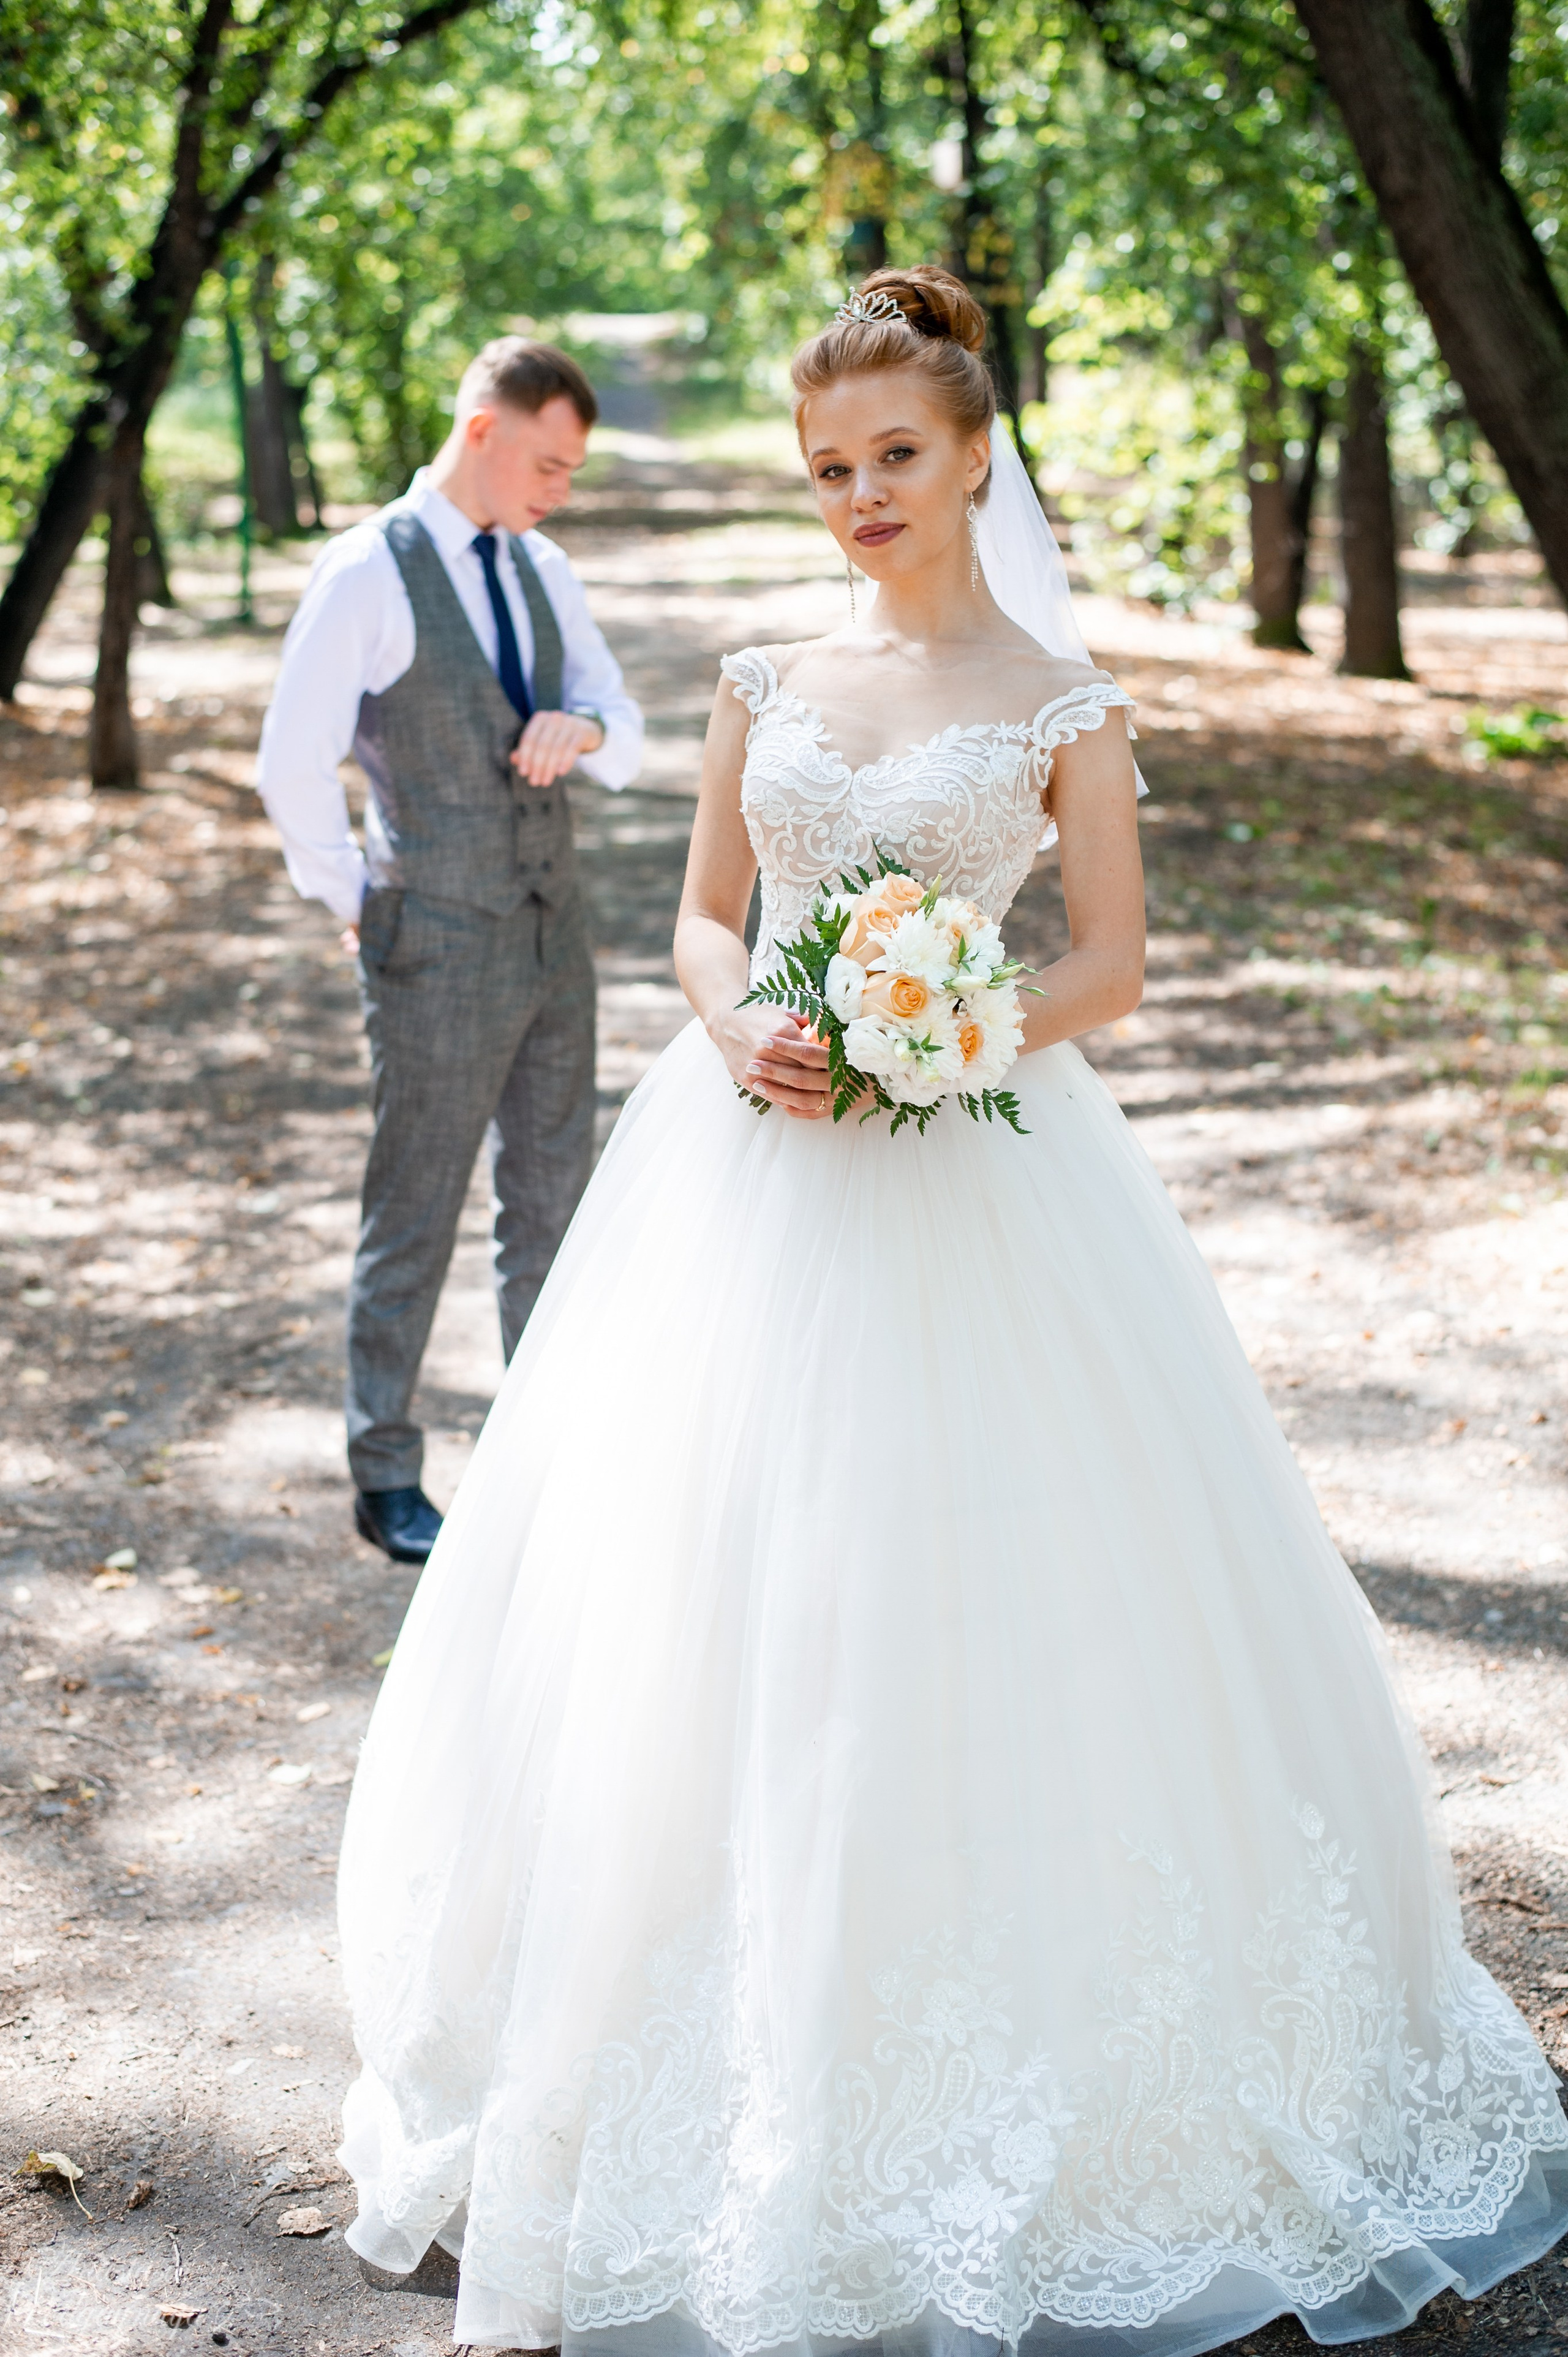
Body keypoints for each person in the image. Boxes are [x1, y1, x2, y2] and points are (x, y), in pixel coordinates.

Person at [334, 270, 1568, 2355]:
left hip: (986, 1153)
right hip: (746, 1169)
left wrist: (946, 1030)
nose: (862, 493)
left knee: (996, 1578)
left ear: (976, 451)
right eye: (831, 465)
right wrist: (745, 1037)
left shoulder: (1064, 702)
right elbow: (710, 916)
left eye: (896, 453)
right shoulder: (762, 674)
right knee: (708, 1588)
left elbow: (1108, 961)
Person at [257, 337, 643, 1565]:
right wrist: (358, 902)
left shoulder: (542, 566)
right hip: (430, 940)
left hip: (551, 938)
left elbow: (624, 726)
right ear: (483, 429)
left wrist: (577, 728)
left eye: (572, 470)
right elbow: (288, 762)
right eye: (548, 462)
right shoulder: (370, 570)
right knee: (412, 1206)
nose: (559, 490)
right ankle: (385, 1470)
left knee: (549, 1205)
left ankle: (540, 1462)